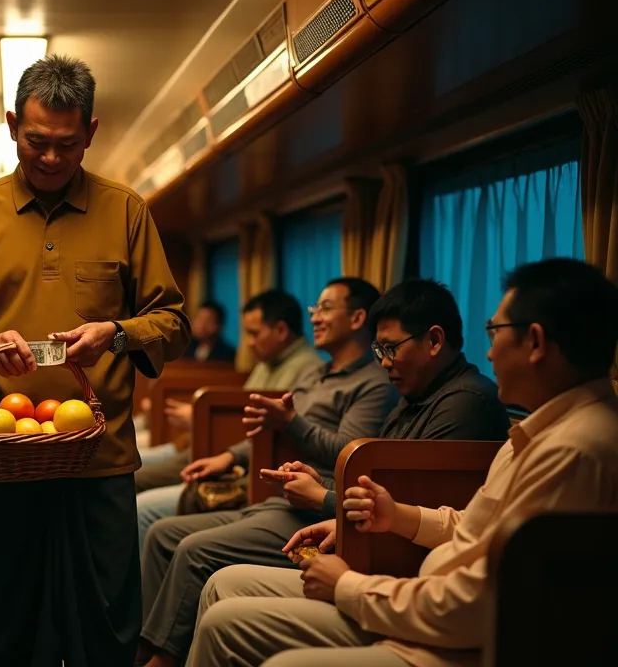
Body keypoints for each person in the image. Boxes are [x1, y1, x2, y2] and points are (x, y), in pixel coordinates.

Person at [187, 258, 618, 667]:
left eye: (495, 332)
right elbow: (475, 526)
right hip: (419, 596)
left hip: (442, 637)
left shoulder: (574, 449)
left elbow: (480, 606)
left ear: (536, 342)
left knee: (246, 633)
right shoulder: (540, 430)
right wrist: (396, 516)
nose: (488, 353)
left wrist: (349, 586)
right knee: (222, 583)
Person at [0, 55, 190, 667]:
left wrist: (116, 334)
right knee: (9, 624)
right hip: (3, 453)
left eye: (66, 145)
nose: (49, 158)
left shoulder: (126, 212)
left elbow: (172, 325)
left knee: (107, 632)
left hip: (100, 459)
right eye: (36, 141)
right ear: (13, 124)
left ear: (91, 133)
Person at [137, 278, 398, 667]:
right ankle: (143, 647)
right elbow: (269, 428)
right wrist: (229, 456)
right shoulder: (317, 375)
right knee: (161, 533)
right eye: (315, 308)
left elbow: (347, 451)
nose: (316, 317)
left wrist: (293, 422)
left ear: (358, 317)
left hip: (318, 504)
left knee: (191, 549)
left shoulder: (374, 383)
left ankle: (162, 660)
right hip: (280, 491)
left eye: (326, 308)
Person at [260, 279, 511, 518]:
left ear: (434, 341)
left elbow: (410, 511)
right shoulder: (416, 393)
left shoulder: (467, 402)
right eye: (379, 350)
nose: (384, 362)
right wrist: (319, 481)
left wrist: (322, 497)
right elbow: (378, 490)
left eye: (391, 348)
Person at [134, 289, 323, 499]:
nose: (249, 343)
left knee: (137, 484)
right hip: (221, 450)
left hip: (244, 464)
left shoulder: (309, 370)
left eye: (254, 333)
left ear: (281, 330)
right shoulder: (267, 362)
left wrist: (202, 418)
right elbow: (243, 414)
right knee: (134, 469)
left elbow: (268, 431)